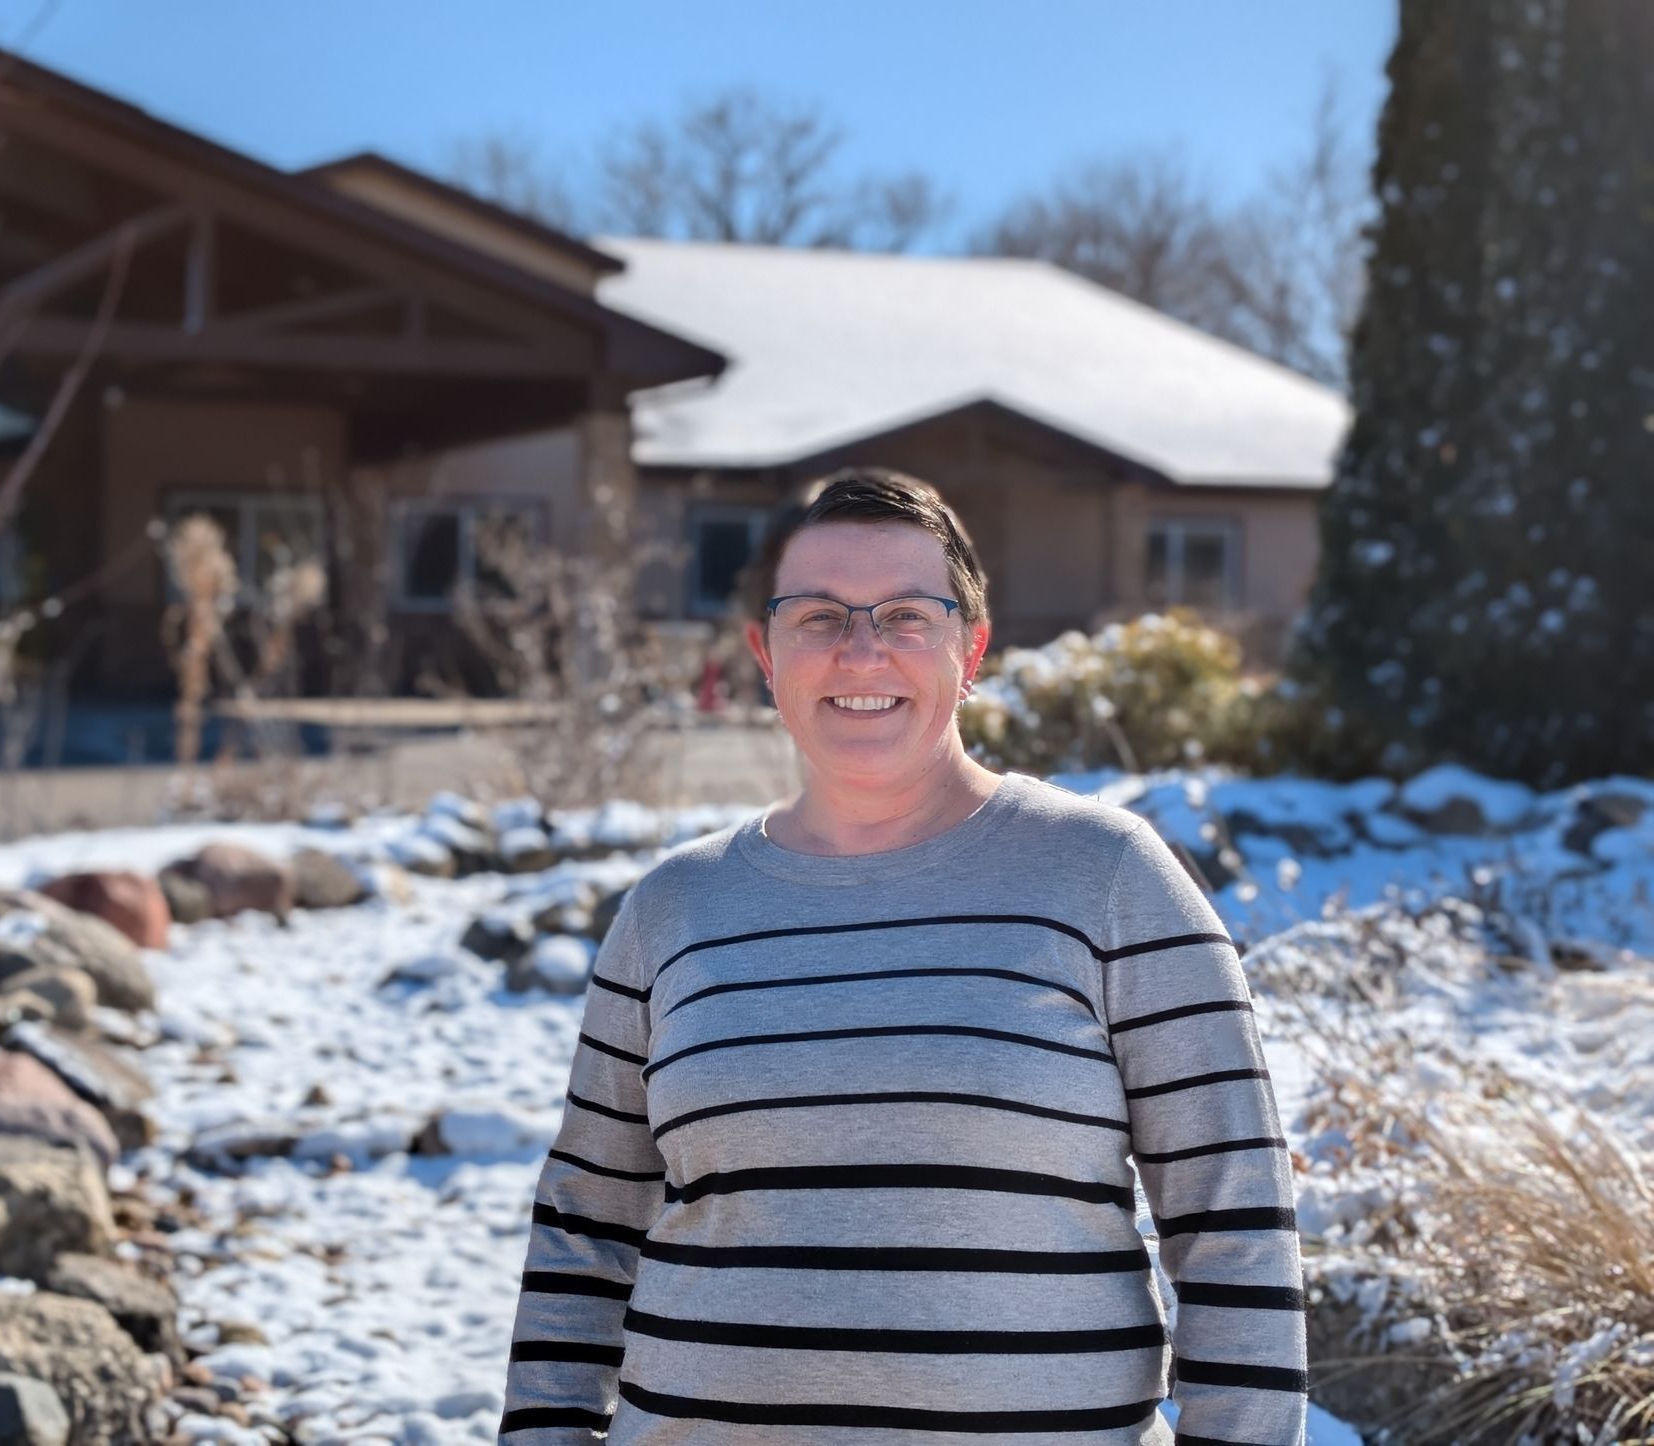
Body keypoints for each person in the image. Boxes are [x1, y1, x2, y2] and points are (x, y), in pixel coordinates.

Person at [498, 467, 1307, 1445]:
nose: (862, 648)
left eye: (906, 616)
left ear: (971, 648)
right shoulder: (673, 909)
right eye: (820, 617)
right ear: (765, 653)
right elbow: (584, 1231)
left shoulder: (1108, 877)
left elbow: (1236, 1233)